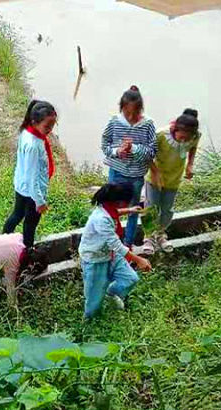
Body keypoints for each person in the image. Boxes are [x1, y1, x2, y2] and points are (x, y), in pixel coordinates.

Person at [78, 182, 152, 318]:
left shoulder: (108, 208)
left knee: (131, 279)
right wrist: (138, 259)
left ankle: (109, 294)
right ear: (119, 202)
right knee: (94, 301)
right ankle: (89, 325)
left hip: (110, 254)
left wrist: (129, 211)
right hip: (95, 259)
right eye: (127, 203)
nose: (128, 204)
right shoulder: (101, 219)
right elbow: (116, 244)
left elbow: (115, 213)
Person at [101, 86, 155, 248]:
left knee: (134, 209)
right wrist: (117, 151)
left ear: (141, 110)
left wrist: (134, 148)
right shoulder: (114, 122)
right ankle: (111, 241)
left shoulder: (148, 125)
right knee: (109, 208)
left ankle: (128, 243)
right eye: (127, 113)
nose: (131, 117)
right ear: (121, 108)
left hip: (136, 177)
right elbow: (105, 145)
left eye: (134, 114)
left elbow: (152, 152)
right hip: (116, 173)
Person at [3, 99, 57, 253]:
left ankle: (4, 239)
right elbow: (32, 178)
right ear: (34, 122)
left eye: (52, 126)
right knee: (31, 223)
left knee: (17, 214)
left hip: (21, 186)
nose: (50, 130)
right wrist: (39, 201)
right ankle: (28, 250)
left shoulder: (26, 132)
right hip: (33, 192)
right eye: (47, 126)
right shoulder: (34, 145)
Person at [146, 108, 201, 244]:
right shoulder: (160, 135)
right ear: (175, 130)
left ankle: (160, 234)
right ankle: (148, 237)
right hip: (155, 178)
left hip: (174, 178)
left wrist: (190, 164)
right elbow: (145, 155)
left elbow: (193, 147)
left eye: (186, 139)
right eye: (181, 137)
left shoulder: (195, 136)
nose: (183, 141)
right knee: (151, 207)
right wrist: (155, 172)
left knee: (167, 209)